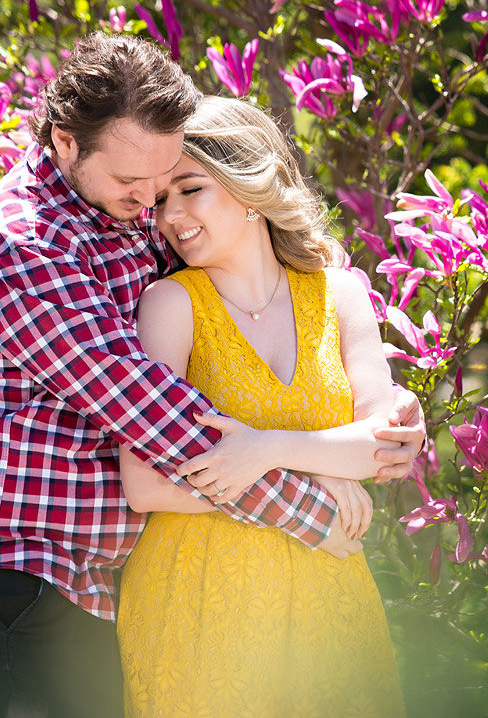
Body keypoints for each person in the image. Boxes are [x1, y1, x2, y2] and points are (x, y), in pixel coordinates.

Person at [0, 33, 424, 718]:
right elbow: (158, 419)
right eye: (133, 182)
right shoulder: (21, 246)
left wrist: (365, 433)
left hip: (90, 574)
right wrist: (315, 502)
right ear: (65, 142)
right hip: (11, 571)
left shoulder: (125, 212)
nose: (154, 201)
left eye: (165, 176)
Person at [116, 96, 407, 718]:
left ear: (248, 186)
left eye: (189, 188)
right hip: (200, 603)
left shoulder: (341, 294)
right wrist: (320, 473)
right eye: (161, 200)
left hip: (330, 596)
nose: (170, 215)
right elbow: (143, 484)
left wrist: (266, 448)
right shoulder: (170, 305)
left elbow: (385, 445)